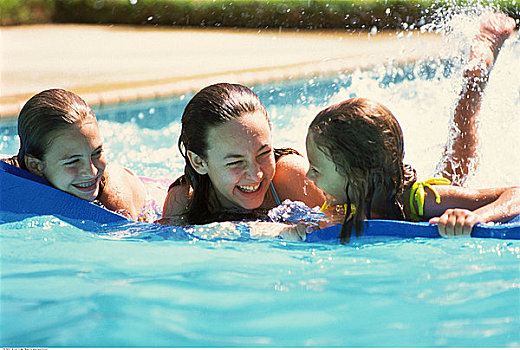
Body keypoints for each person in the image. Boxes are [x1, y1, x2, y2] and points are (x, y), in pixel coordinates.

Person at [304, 14, 519, 242]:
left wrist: (477, 216)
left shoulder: (421, 200)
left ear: (357, 174)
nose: (308, 176)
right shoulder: (340, 202)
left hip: (420, 197)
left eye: (316, 169)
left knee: (461, 150)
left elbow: (516, 194)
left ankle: (477, 70)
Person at [1, 88, 166, 222]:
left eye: (97, 153)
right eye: (73, 161)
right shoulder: (10, 177)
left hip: (158, 199)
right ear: (36, 166)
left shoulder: (115, 205)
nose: (92, 171)